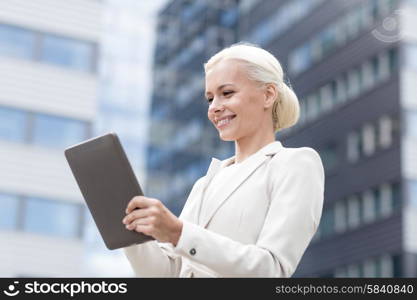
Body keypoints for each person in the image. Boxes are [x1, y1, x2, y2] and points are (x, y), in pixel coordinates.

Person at [122, 42, 325, 277]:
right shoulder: (205, 184)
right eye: (210, 98)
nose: (214, 108)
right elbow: (167, 274)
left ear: (268, 95)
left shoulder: (295, 164)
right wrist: (127, 230)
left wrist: (178, 233)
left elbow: (272, 269)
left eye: (226, 93)